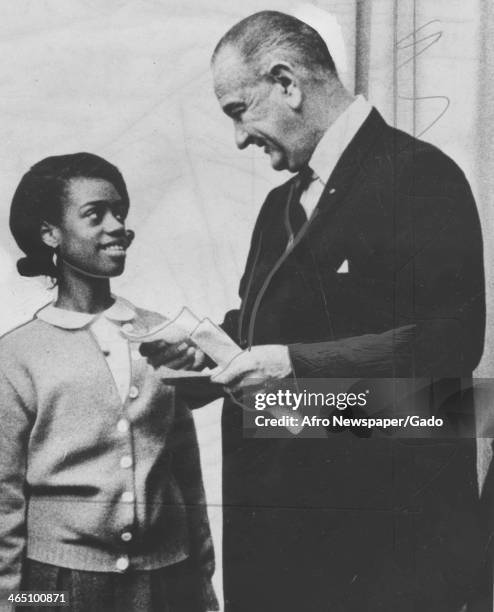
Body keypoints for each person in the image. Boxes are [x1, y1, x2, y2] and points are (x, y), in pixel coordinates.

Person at [141, 10, 489, 611]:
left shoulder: (421, 174)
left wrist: (294, 365)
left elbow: (453, 343)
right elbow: (270, 327)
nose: (240, 139)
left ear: (287, 83)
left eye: (238, 111)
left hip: (379, 548)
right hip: (277, 538)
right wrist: (209, 350)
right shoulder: (280, 202)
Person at [0, 153, 219, 612]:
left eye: (120, 213)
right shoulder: (15, 356)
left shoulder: (162, 335)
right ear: (49, 234)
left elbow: (187, 474)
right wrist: (11, 601)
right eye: (95, 214)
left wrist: (201, 585)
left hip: (169, 580)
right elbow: (4, 498)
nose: (117, 225)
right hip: (57, 587)